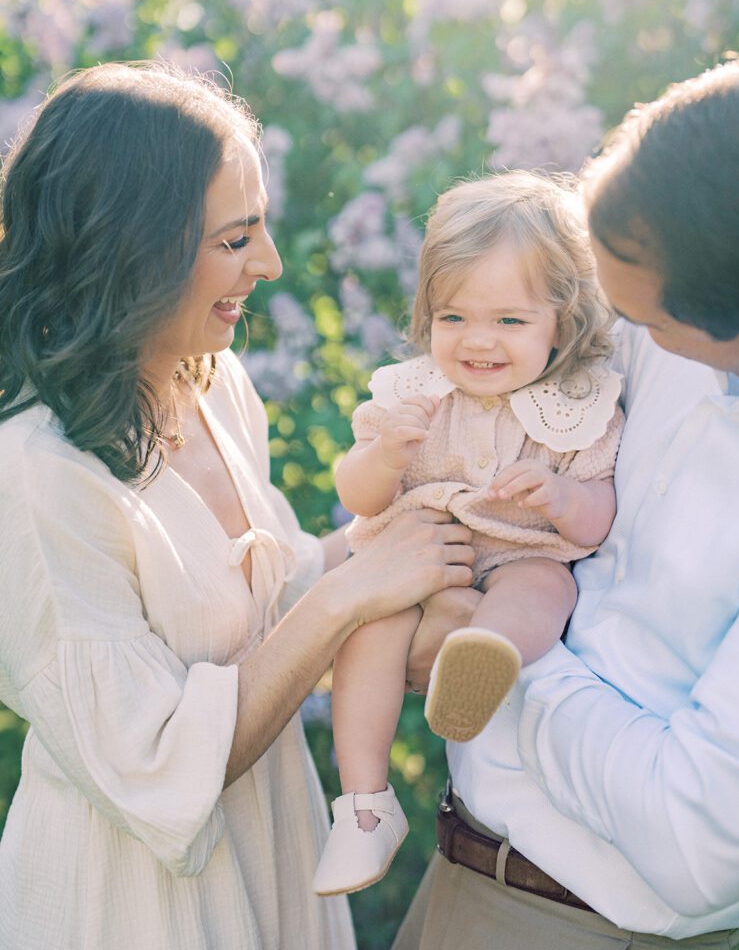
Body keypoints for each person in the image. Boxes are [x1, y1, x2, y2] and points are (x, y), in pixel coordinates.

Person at [0, 61, 476, 950]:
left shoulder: (214, 383)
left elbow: (280, 598)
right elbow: (154, 763)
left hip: (277, 849)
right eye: (234, 239)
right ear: (126, 248)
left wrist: (422, 531)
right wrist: (356, 590)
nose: (271, 264)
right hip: (132, 905)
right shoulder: (34, 475)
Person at [392, 52, 739, 950]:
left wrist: (498, 647)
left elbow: (697, 846)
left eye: (637, 308)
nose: (609, 323)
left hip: (590, 929)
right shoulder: (659, 335)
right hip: (464, 875)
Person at [313, 172, 624, 898]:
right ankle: (364, 805)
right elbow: (355, 494)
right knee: (371, 625)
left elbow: (600, 514)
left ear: (563, 320)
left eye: (511, 322)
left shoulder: (576, 408)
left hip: (520, 552)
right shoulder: (411, 394)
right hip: (416, 559)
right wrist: (383, 457)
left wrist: (564, 496)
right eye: (454, 318)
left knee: (544, 586)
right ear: (428, 314)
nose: (478, 342)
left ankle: (486, 656)